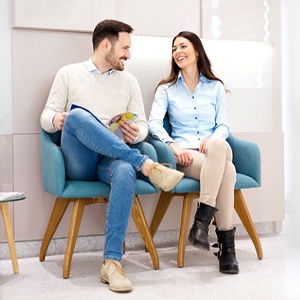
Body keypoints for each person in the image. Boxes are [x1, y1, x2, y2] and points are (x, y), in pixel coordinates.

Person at [40, 19, 184, 293]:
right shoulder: (69, 73)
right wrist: (58, 118)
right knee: (78, 115)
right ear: (106, 45)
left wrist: (136, 133)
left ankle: (112, 263)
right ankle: (147, 165)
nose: (129, 55)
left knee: (125, 170)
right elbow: (46, 116)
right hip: (81, 160)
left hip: (113, 158)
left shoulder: (129, 81)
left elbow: (142, 125)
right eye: (125, 47)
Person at [148, 31, 239, 274]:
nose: (178, 51)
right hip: (186, 157)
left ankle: (201, 221)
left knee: (218, 146)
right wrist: (173, 147)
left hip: (214, 149)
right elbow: (154, 124)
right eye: (174, 48)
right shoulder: (166, 89)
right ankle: (227, 249)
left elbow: (223, 126)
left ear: (196, 50)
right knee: (228, 172)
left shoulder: (215, 87)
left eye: (183, 46)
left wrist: (212, 140)